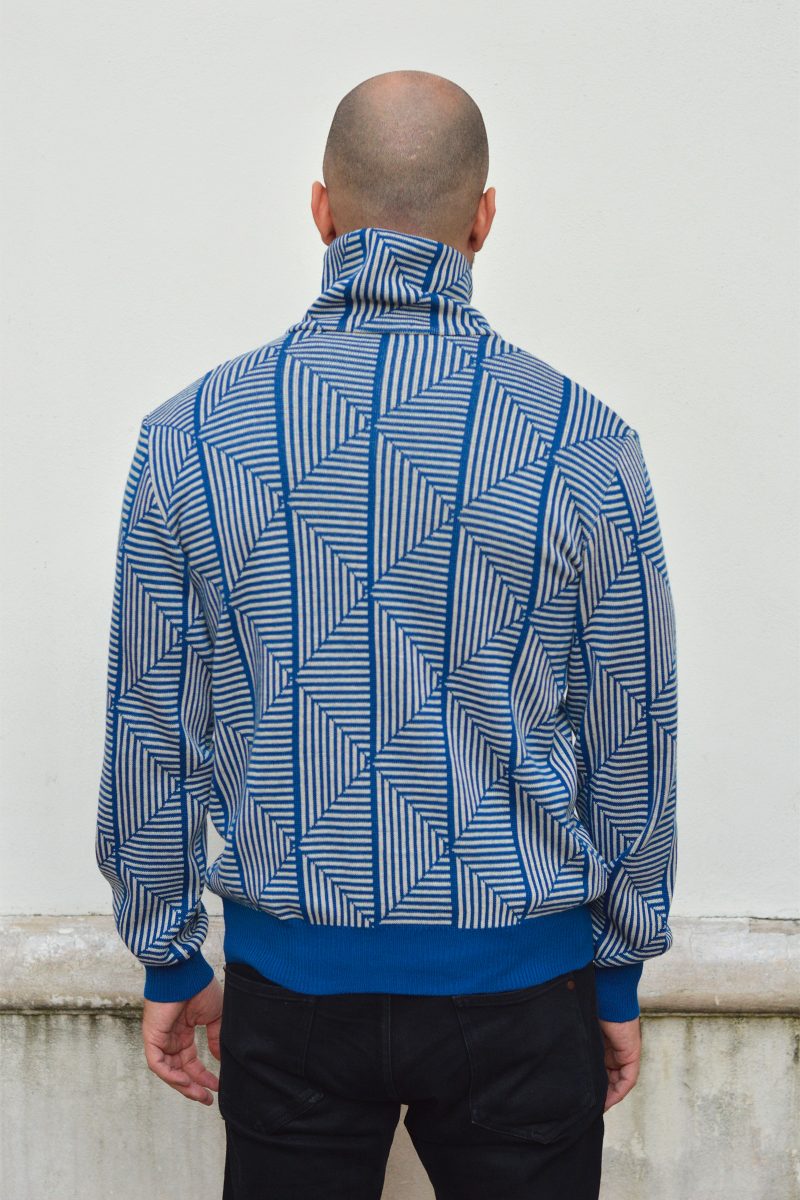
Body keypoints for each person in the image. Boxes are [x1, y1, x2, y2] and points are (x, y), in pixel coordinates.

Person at [95, 68, 678, 1200]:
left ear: (320, 211)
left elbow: (152, 718)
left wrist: (168, 952)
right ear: (483, 218)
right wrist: (616, 974)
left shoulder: (188, 438)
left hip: (291, 997)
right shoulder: (585, 442)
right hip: (524, 997)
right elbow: (630, 728)